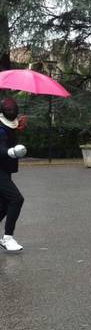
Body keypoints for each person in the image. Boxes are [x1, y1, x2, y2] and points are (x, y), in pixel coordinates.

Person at [0, 98, 27, 252]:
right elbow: (1, 147)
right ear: (2, 111)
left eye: (14, 109)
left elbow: (9, 135)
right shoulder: (1, 128)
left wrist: (18, 129)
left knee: (4, 205)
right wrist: (11, 151)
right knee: (16, 199)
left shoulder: (9, 126)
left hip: (5, 169)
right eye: (8, 109)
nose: (12, 111)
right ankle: (7, 238)